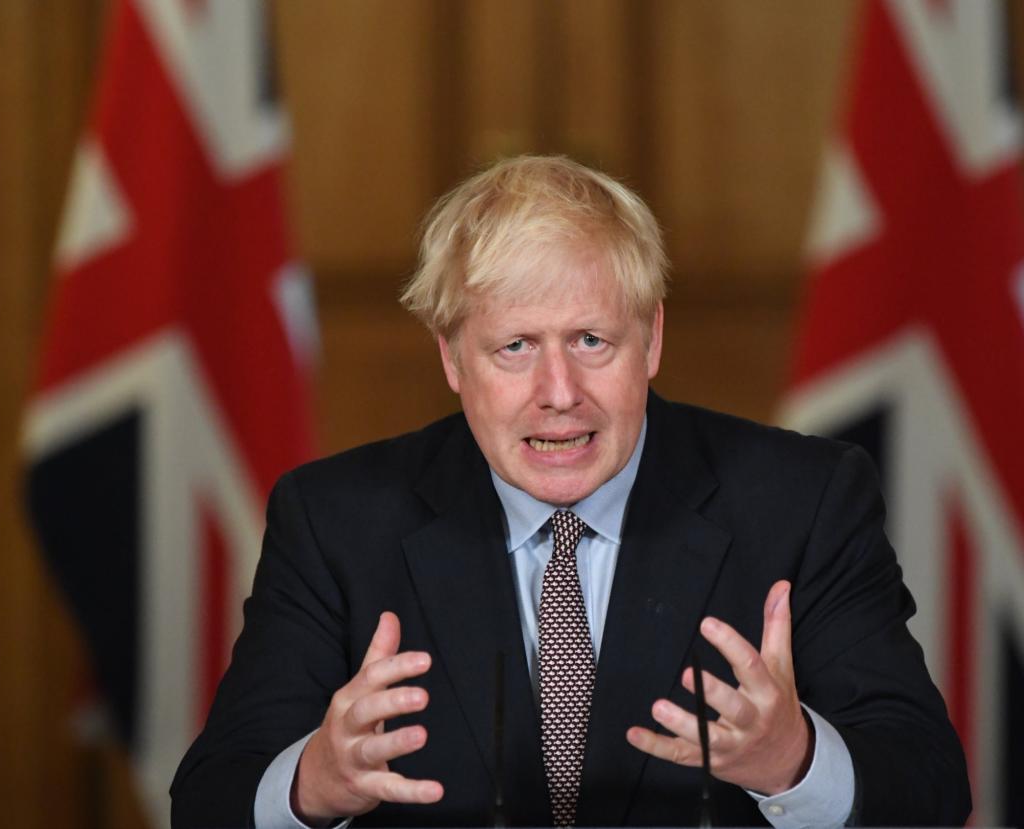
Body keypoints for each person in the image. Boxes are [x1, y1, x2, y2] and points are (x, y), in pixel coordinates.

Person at [171, 155, 970, 828]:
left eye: (592, 340)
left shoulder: (803, 501)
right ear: (453, 359)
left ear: (651, 338)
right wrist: (312, 781)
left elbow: (933, 786)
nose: (559, 392)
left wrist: (792, 759)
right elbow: (207, 799)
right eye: (514, 347)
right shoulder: (336, 520)